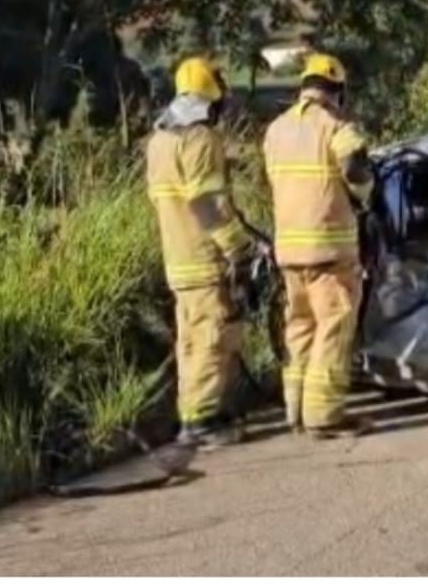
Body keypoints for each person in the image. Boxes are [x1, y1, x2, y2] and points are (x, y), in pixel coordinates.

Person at [146, 56, 260, 448]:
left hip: (177, 260)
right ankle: (203, 423)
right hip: (204, 258)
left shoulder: (159, 142)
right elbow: (206, 204)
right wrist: (239, 248)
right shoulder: (199, 140)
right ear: (208, 98)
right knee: (212, 337)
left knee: (192, 341)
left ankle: (195, 413)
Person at [263, 52, 374, 438]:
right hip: (330, 249)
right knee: (333, 328)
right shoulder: (337, 126)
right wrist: (365, 196)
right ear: (337, 91)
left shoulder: (275, 130)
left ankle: (294, 412)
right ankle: (324, 417)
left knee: (300, 328)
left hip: (288, 251)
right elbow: (357, 171)